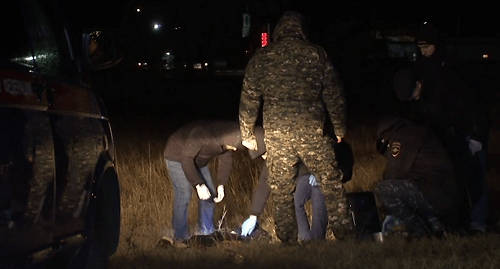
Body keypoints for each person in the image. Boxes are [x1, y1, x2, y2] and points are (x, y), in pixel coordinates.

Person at [238, 11, 353, 243]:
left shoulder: (262, 57)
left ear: (279, 31)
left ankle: (288, 240)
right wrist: (340, 129)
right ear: (302, 30)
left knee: (281, 191)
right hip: (312, 132)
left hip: (277, 135)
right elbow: (334, 94)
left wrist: (247, 133)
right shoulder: (316, 54)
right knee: (331, 183)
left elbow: (249, 98)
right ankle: (346, 236)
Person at [393, 22, 491, 233]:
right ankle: (460, 221)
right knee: (456, 179)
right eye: (420, 48)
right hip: (446, 132)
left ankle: (479, 223)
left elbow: (470, 105)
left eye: (426, 47)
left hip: (467, 130)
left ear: (436, 45)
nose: (423, 51)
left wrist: (476, 136)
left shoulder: (451, 68)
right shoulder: (421, 68)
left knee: (475, 179)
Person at [240, 126, 334, 242]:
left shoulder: (292, 142)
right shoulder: (274, 159)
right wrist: (253, 215)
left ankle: (317, 239)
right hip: (302, 181)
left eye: (264, 153)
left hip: (317, 175)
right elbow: (264, 184)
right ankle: (305, 238)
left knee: (317, 194)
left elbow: (319, 153)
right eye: (261, 156)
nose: (264, 157)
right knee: (294, 198)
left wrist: (318, 172)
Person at [374, 117, 462, 237]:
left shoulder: (402, 138)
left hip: (437, 192)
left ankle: (418, 230)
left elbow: (394, 173)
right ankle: (436, 227)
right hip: (446, 193)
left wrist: (386, 207)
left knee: (383, 189)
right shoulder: (416, 132)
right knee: (411, 190)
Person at [163, 120, 245, 246]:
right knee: (184, 193)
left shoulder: (225, 141)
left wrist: (221, 185)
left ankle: (206, 232)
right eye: (233, 146)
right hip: (177, 157)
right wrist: (198, 184)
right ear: (228, 141)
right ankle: (180, 237)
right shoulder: (203, 135)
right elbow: (186, 158)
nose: (234, 149)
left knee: (210, 193)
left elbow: (226, 161)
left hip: (197, 162)